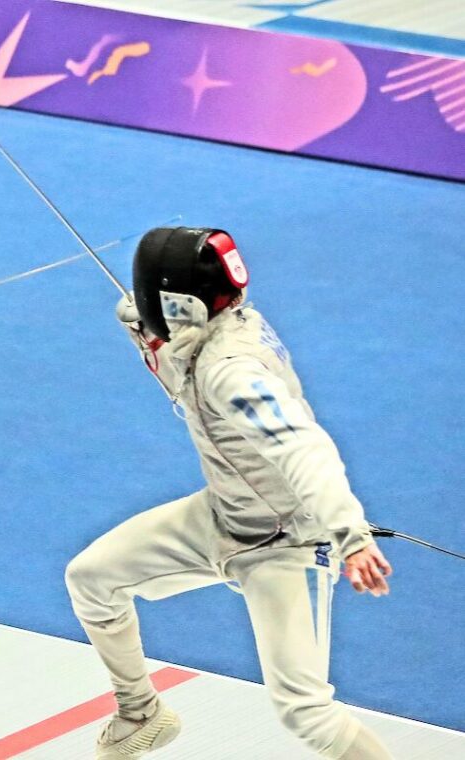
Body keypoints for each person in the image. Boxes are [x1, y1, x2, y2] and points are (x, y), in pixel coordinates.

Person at [64, 227, 393, 758]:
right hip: (221, 517)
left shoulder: (232, 370)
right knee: (91, 579)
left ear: (176, 302)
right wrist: (150, 335)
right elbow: (180, 360)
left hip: (285, 544)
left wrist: (350, 535)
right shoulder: (206, 333)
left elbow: (301, 446)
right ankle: (142, 714)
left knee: (305, 710)